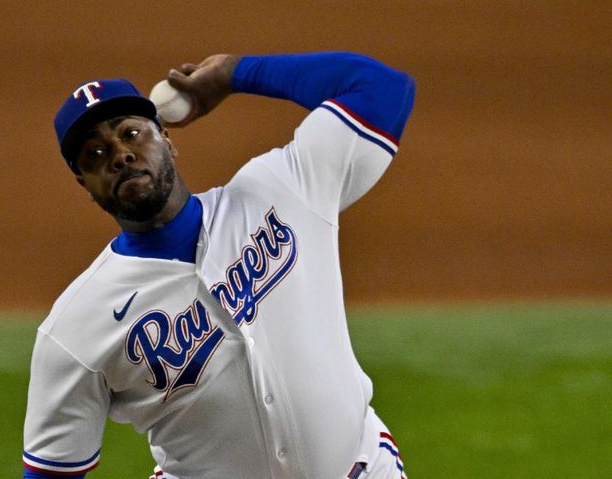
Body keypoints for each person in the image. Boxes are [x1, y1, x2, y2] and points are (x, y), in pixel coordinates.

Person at [22, 51, 415, 479]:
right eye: (95, 154)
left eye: (131, 133)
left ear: (166, 138)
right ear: (85, 184)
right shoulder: (75, 327)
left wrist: (236, 74)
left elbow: (384, 88)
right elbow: (51, 473)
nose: (120, 155)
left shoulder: (282, 189)